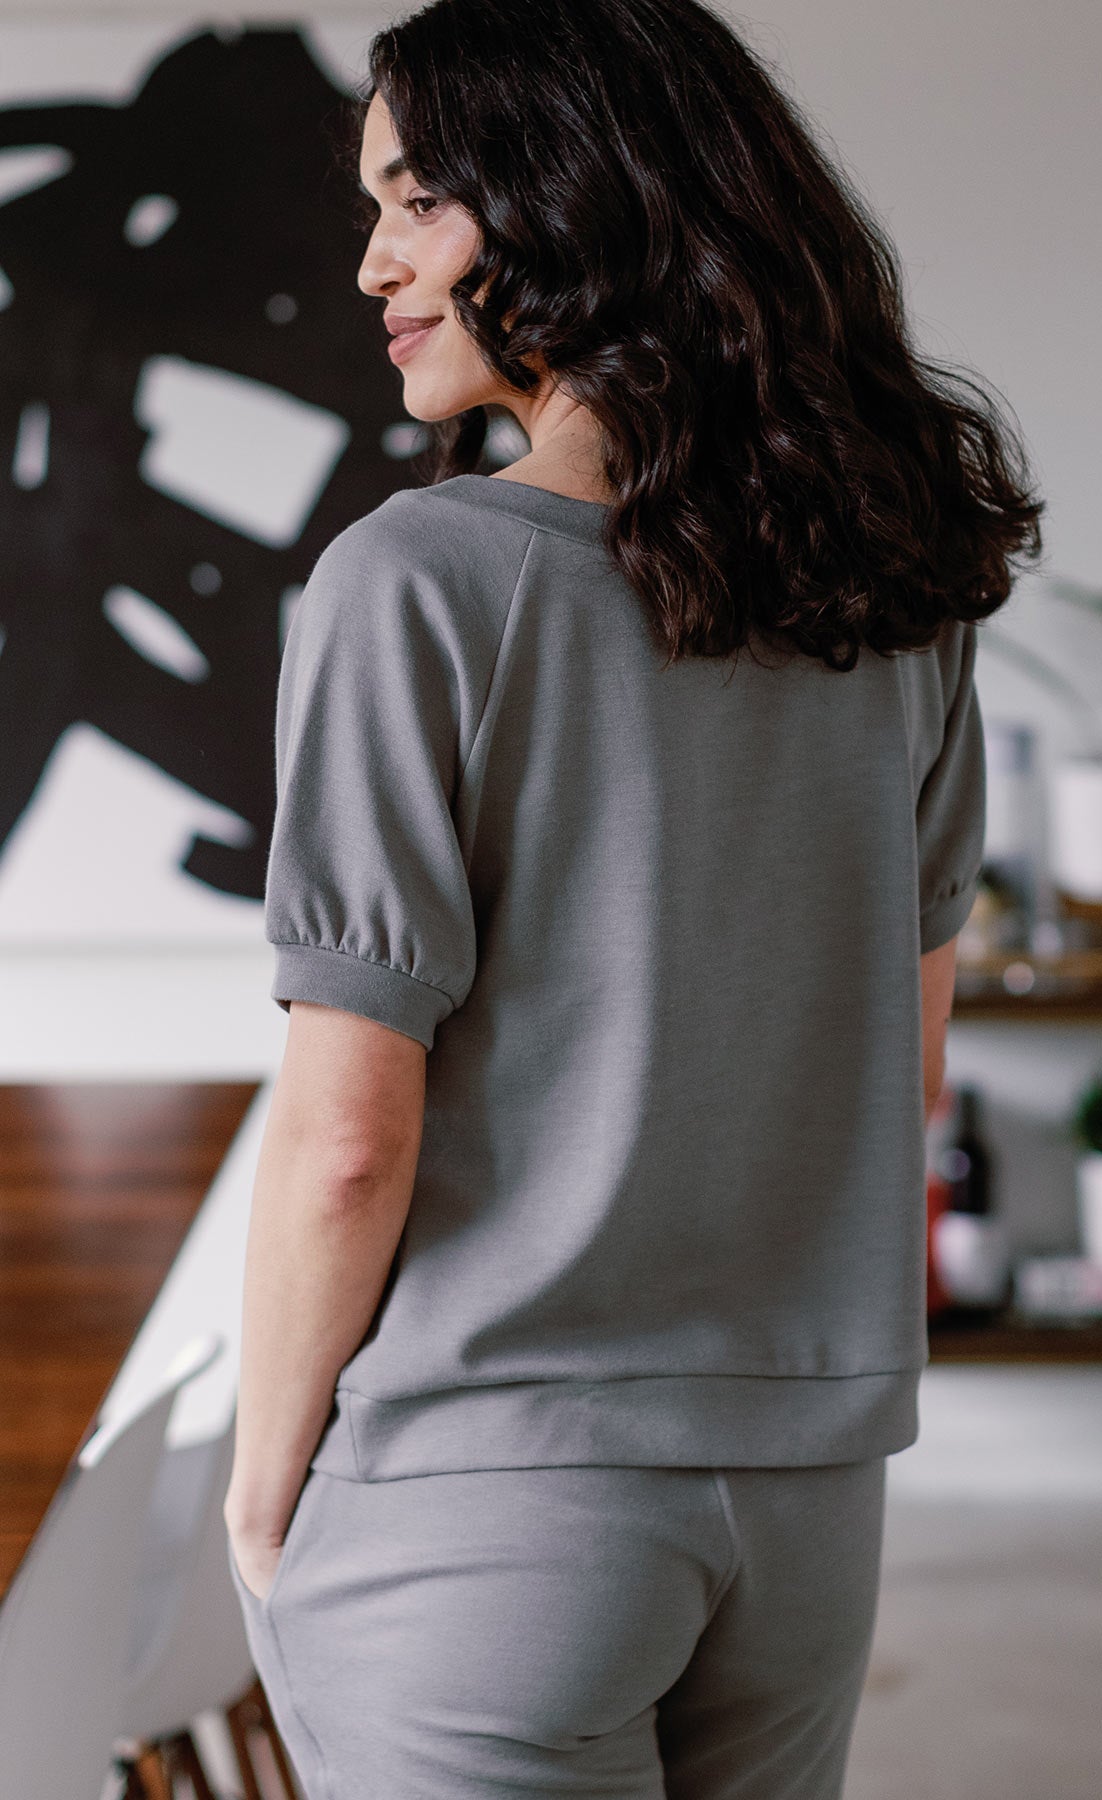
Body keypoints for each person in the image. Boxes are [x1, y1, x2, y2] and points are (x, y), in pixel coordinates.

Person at [223, 0, 1044, 1793]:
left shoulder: (415, 582)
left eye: (417, 201)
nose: (373, 260)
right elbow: (897, 1082)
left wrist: (260, 1495)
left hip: (483, 1505)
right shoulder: (898, 597)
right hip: (808, 1506)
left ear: (569, 201)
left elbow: (348, 1141)